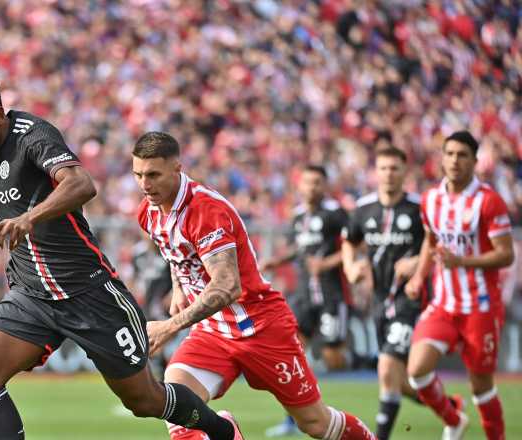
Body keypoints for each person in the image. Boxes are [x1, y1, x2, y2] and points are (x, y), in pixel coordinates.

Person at [0, 70, 241, 440]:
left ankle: (222, 430)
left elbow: (82, 184)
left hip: (90, 294)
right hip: (32, 295)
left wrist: (28, 219)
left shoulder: (33, 135)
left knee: (143, 400)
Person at [133, 131, 376, 440]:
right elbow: (174, 252)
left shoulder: (206, 211)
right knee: (178, 407)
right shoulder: (148, 212)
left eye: (153, 174)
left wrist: (170, 327)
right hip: (213, 332)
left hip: (259, 327)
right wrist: (180, 285)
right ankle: (226, 432)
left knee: (316, 423)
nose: (145, 184)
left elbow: (227, 286)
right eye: (138, 175)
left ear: (177, 168)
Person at [405, 130, 515, 440]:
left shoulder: (488, 202)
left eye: (462, 155)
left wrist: (463, 262)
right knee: (417, 371)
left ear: (475, 161)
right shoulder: (430, 199)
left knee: (481, 385)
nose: (455, 160)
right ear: (442, 158)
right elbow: (431, 241)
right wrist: (418, 276)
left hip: (480, 307)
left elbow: (506, 255)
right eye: (450, 153)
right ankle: (453, 419)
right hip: (443, 304)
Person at [260, 165, 351, 437]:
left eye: (317, 183)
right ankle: (292, 420)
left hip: (331, 294)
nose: (312, 187)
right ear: (300, 186)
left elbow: (353, 246)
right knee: (293, 355)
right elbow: (298, 249)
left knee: (333, 358)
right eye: (307, 182)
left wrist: (327, 263)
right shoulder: (298, 216)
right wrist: (277, 260)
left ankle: (351, 375)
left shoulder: (336, 214)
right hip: (303, 296)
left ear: (324, 186)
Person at [341, 148, 424, 439]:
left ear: (405, 172)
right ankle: (448, 406)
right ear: (376, 173)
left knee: (387, 366)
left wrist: (416, 262)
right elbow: (349, 242)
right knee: (396, 379)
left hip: (411, 300)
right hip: (379, 301)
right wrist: (351, 266)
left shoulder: (419, 209)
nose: (389, 174)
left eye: (395, 168)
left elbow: (436, 245)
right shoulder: (364, 209)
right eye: (384, 168)